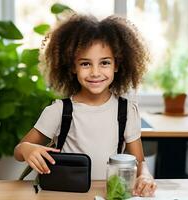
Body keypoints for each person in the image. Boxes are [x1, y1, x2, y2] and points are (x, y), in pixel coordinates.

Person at [14, 14, 157, 197]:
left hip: (107, 193)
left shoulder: (127, 111)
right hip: (64, 193)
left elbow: (139, 162)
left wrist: (144, 175)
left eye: (104, 62)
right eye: (85, 64)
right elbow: (19, 151)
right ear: (72, 67)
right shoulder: (59, 111)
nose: (95, 72)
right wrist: (27, 149)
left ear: (117, 65)